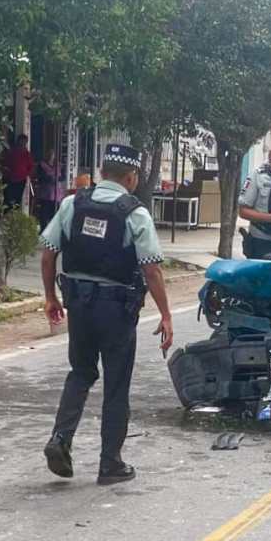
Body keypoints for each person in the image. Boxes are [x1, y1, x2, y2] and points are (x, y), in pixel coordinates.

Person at [40, 144, 174, 485]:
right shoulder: (135, 213)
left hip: (79, 306)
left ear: (101, 173)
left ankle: (60, 439)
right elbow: (152, 270)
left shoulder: (73, 204)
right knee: (116, 384)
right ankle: (110, 463)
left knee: (80, 372)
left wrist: (50, 297)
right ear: (130, 178)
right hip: (116, 309)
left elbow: (48, 252)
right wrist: (166, 314)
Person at [35, 149, 66, 232]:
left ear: (54, 155)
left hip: (56, 193)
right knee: (44, 212)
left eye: (52, 154)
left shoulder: (59, 165)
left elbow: (63, 177)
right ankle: (43, 229)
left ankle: (53, 231)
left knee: (55, 212)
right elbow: (39, 177)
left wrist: (57, 179)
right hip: (45, 193)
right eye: (48, 154)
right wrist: (49, 178)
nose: (50, 156)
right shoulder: (41, 165)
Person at [2, 134, 35, 211]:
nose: (22, 144)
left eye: (24, 142)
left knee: (17, 200)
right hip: (9, 179)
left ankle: (13, 215)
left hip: (20, 180)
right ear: (18, 141)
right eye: (21, 141)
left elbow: (31, 167)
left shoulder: (27, 154)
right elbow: (5, 163)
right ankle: (6, 214)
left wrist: (25, 174)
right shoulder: (12, 151)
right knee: (8, 199)